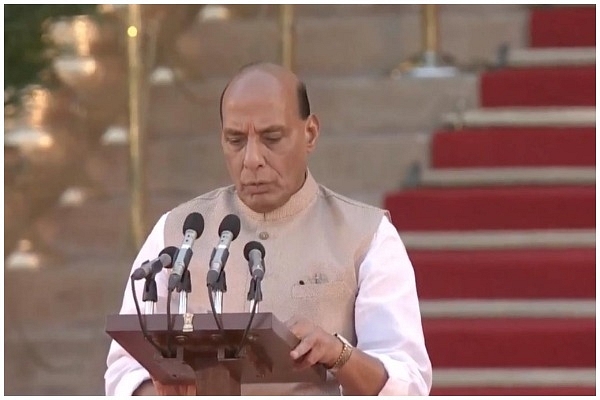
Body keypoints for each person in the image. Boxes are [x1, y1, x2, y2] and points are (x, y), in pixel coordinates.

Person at [105, 62, 432, 396]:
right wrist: (154, 391)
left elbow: (407, 380)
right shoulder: (178, 234)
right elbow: (123, 369)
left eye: (271, 138)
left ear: (310, 134)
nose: (251, 159)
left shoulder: (366, 235)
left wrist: (339, 355)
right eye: (235, 140)